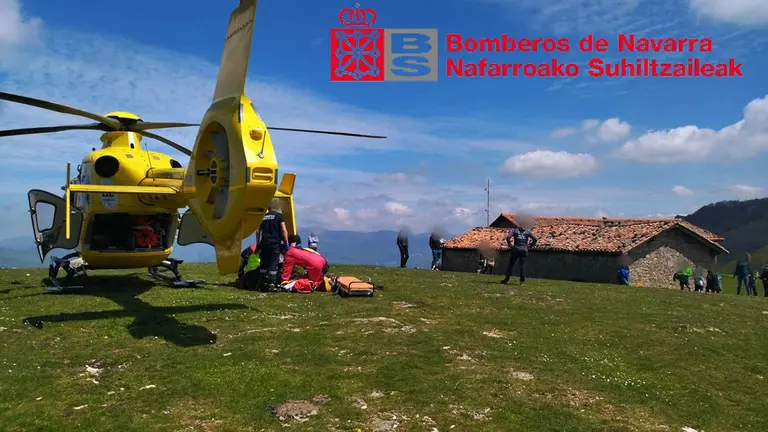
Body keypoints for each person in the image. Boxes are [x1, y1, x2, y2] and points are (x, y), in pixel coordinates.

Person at [255, 198, 289, 291]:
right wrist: (286, 243)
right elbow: (283, 229)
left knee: (264, 262)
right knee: (274, 262)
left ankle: (262, 283)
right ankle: (272, 284)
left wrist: (258, 243)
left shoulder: (263, 217)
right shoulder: (279, 216)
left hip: (264, 242)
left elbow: (258, 231)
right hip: (275, 243)